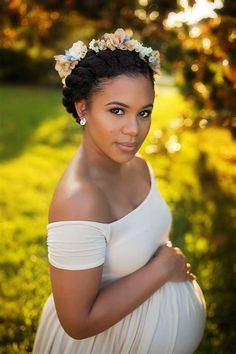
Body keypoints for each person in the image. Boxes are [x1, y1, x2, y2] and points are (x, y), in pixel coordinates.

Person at [32, 28, 206, 354]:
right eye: (117, 111)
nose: (134, 130)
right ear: (83, 109)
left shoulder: (137, 165)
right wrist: (163, 268)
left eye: (144, 113)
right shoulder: (80, 199)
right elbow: (78, 322)